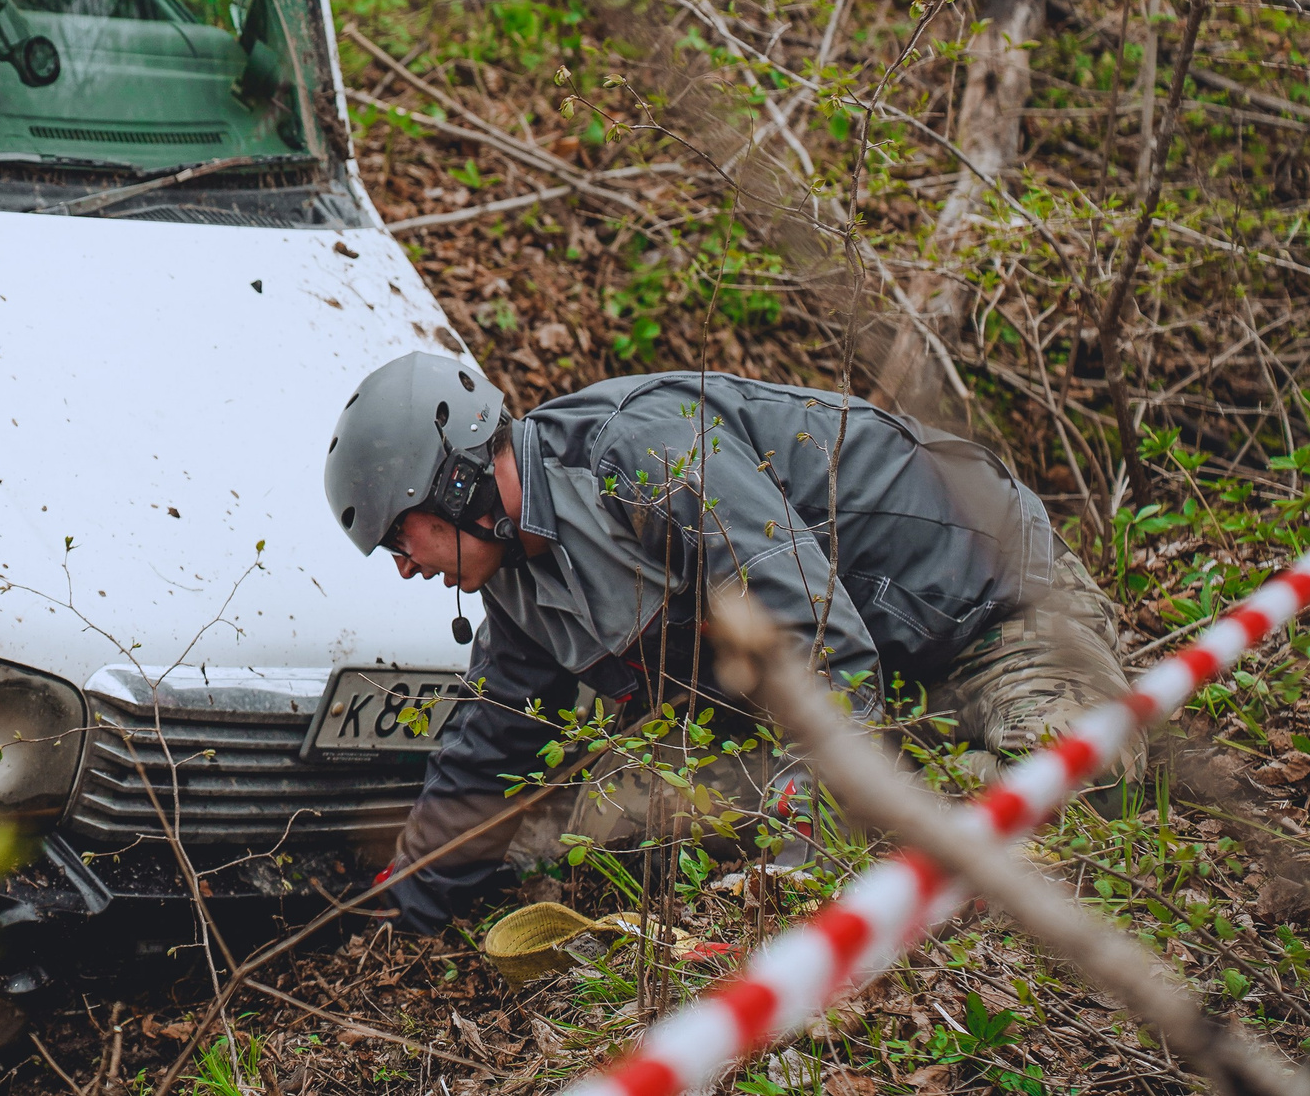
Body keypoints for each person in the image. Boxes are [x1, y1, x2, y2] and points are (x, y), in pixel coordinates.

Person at [322, 353, 1138, 936]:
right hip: (881, 674)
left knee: (1070, 785)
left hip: (996, 611)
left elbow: (817, 633)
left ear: (455, 483)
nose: (404, 567)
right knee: (617, 825)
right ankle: (910, 776)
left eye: (403, 538)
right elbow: (493, 737)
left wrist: (795, 868)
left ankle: (917, 783)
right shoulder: (516, 581)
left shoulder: (638, 454)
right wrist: (408, 900)